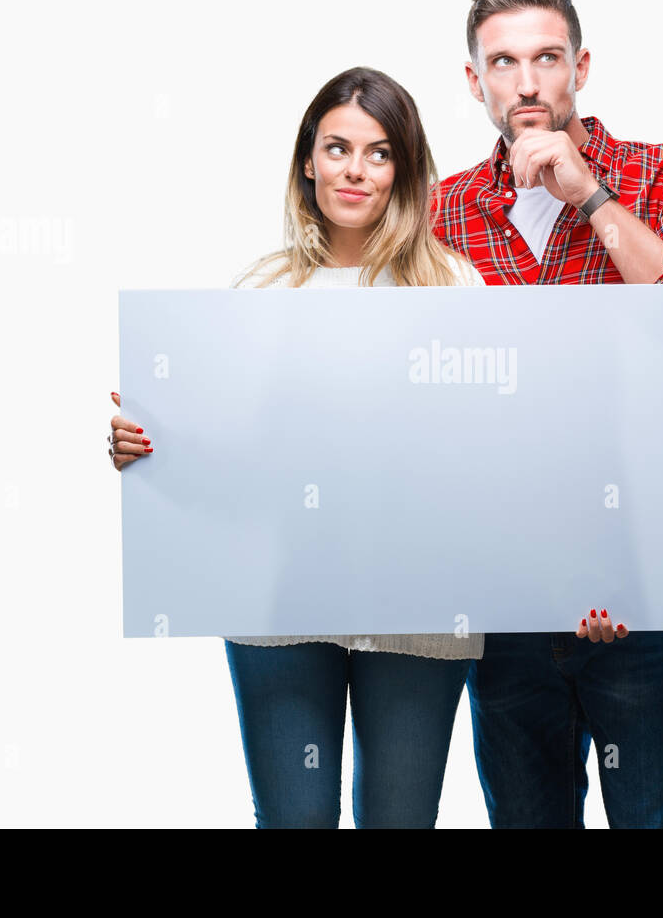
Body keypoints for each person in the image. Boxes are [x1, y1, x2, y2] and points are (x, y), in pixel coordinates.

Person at [108, 66, 487, 828]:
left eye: (380, 153)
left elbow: (484, 455)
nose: (355, 170)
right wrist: (152, 450)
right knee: (294, 821)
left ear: (405, 173)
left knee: (399, 820)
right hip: (278, 602)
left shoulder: (455, 290)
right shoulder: (262, 293)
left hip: (416, 603)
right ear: (306, 162)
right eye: (338, 148)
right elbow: (230, 457)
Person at [432, 0, 663, 828]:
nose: (527, 83)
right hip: (507, 606)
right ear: (474, 81)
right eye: (502, 63)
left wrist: (590, 195)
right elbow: (396, 392)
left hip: (643, 592)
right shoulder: (441, 209)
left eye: (547, 58)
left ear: (582, 66)